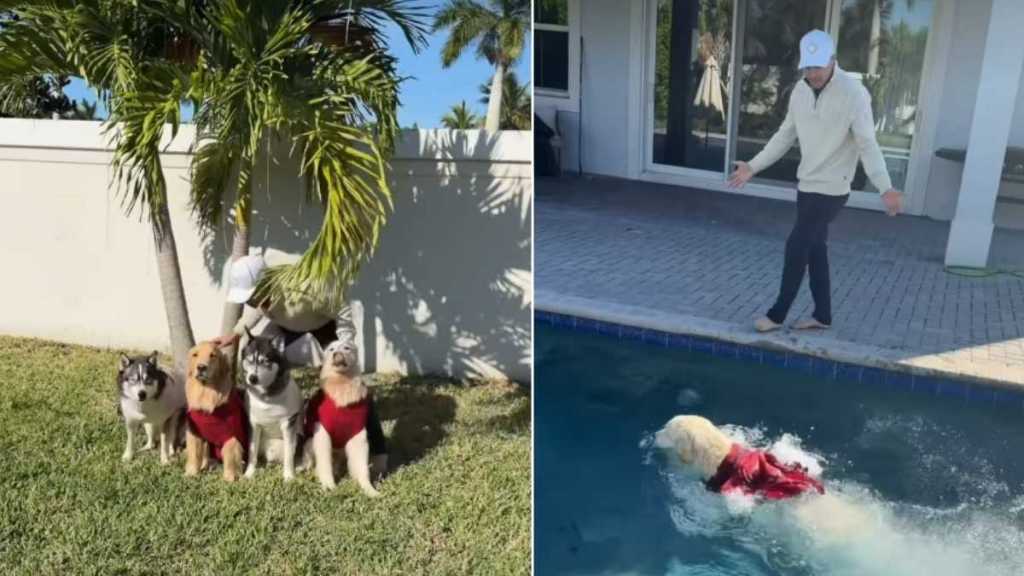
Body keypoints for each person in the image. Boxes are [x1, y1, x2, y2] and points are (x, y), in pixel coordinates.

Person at [728, 29, 903, 333]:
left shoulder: (854, 93)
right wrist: (753, 167)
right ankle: (823, 315)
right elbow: (784, 136)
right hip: (807, 186)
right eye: (807, 67)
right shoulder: (800, 91)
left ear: (833, 59)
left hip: (834, 188)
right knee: (816, 249)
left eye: (818, 66)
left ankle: (777, 314)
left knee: (797, 244)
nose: (812, 74)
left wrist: (885, 186)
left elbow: (867, 144)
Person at [212, 254, 388, 476]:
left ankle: (379, 451)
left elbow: (341, 309)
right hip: (287, 325)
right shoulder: (260, 299)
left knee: (351, 384)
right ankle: (282, 419)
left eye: (253, 297)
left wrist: (345, 345)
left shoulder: (305, 288)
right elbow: (257, 310)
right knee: (265, 354)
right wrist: (236, 333)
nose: (253, 303)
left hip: (324, 323)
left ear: (268, 283)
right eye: (248, 300)